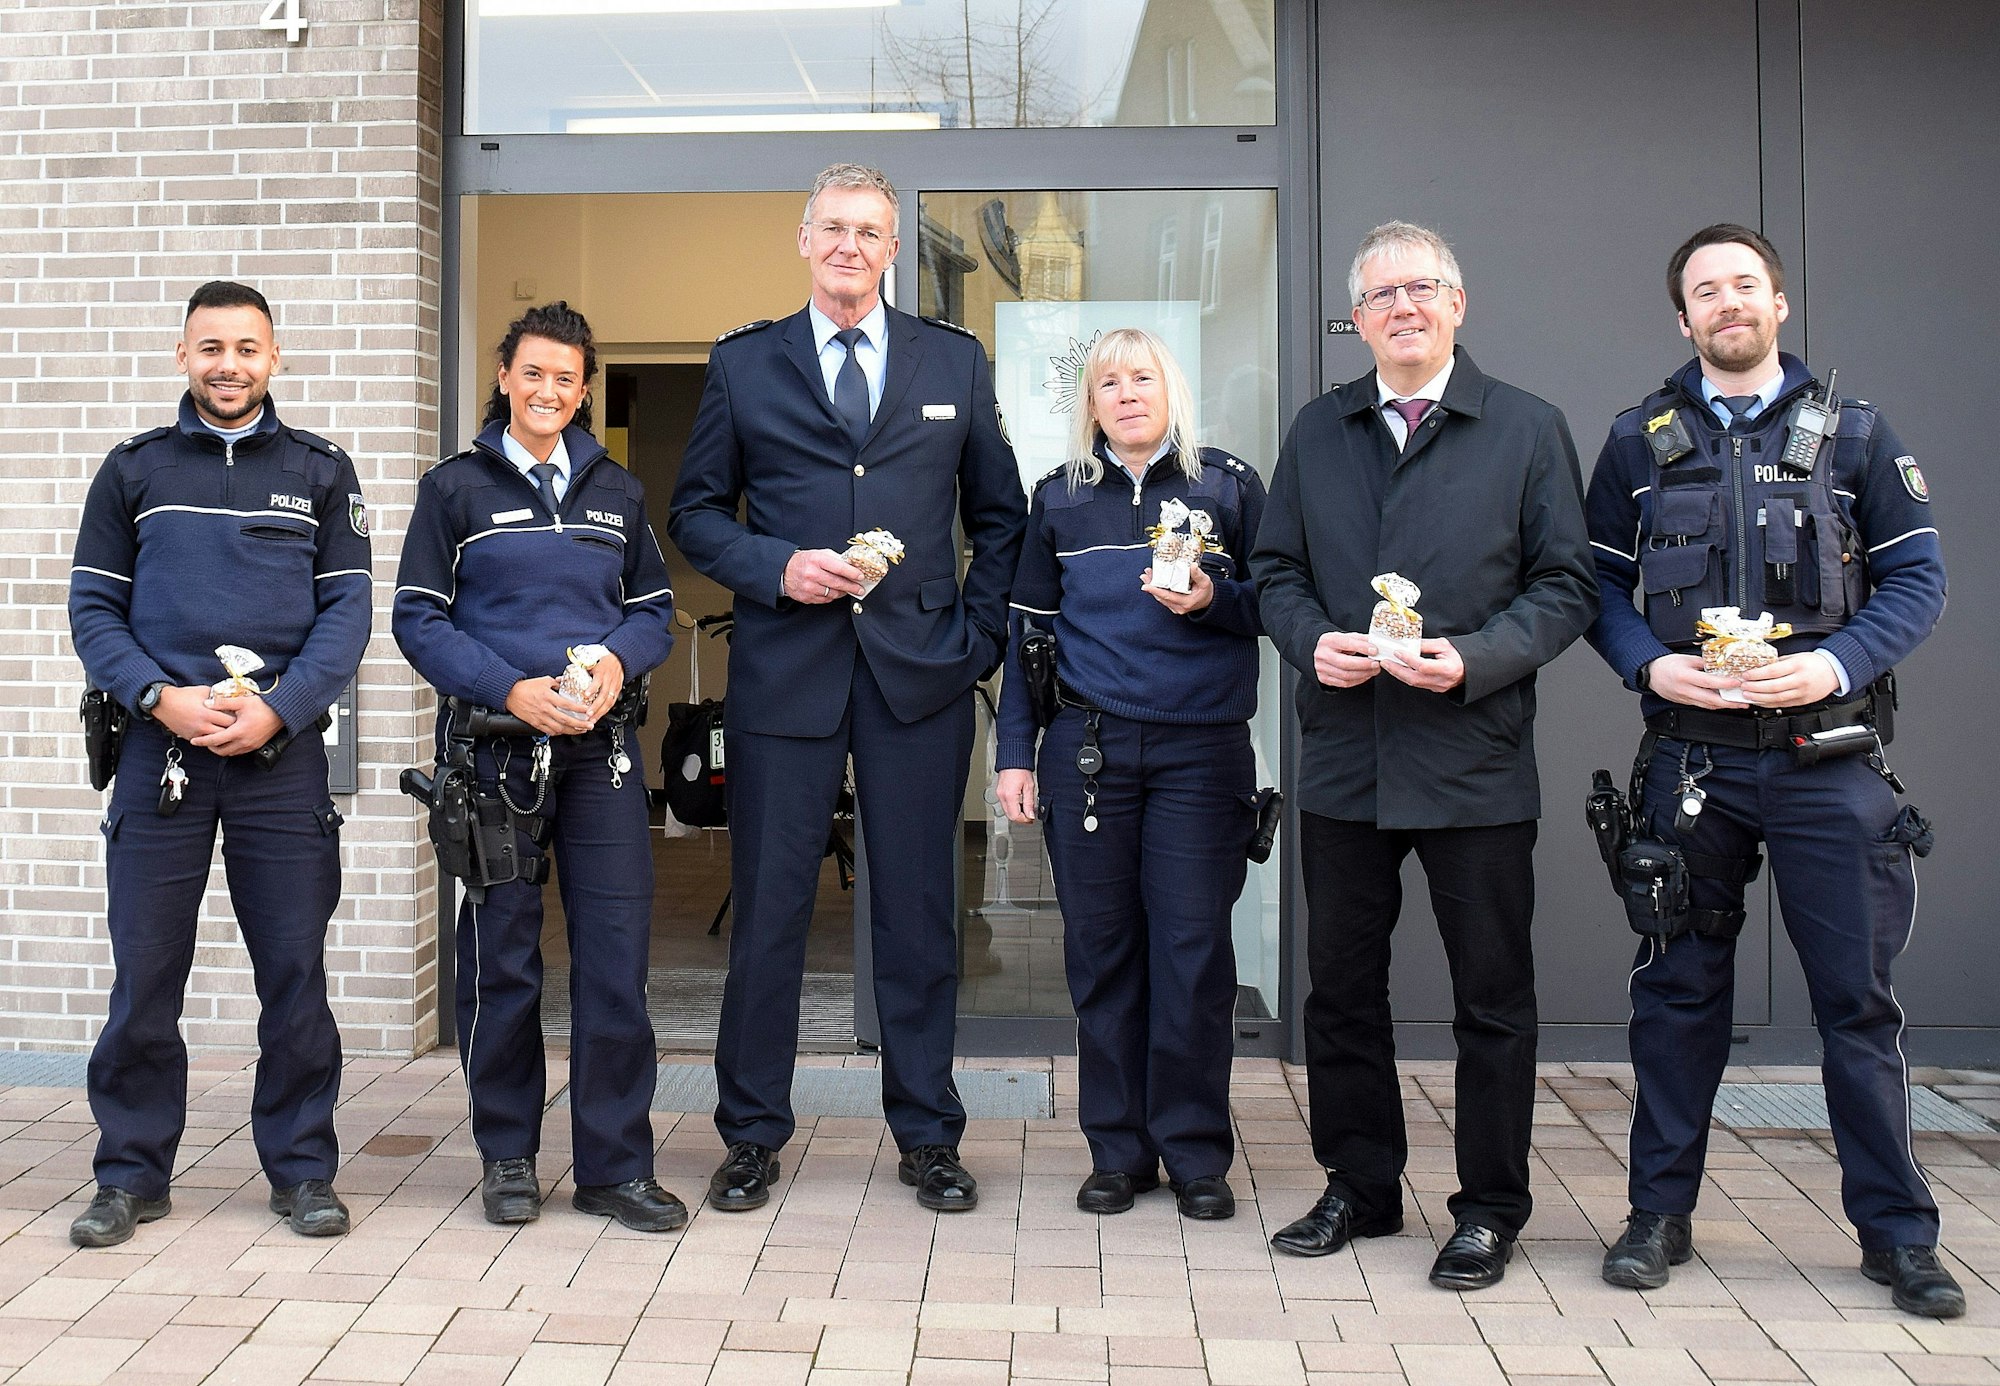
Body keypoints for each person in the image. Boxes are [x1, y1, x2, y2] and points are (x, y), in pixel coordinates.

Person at [1583, 223, 1960, 1317]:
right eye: (1705, 291)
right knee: (1674, 998)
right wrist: (1652, 670)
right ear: (1681, 318)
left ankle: (1896, 1236)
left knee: (1856, 1007)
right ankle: (1656, 1215)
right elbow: (1596, 591)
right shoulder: (1634, 441)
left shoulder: (1855, 435)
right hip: (1690, 764)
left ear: (1777, 304)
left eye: (1743, 285)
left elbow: (1916, 583)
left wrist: (1834, 663)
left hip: (1823, 759)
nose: (1726, 304)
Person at [669, 163, 1024, 1214]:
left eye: (868, 232)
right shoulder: (744, 365)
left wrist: (978, 642)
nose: (849, 247)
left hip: (919, 678)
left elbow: (1000, 521)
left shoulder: (951, 361)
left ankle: (927, 1133)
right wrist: (773, 566)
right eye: (832, 229)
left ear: (889, 249)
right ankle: (748, 1135)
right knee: (771, 913)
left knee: (917, 913)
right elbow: (694, 514)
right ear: (802, 237)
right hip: (787, 679)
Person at [1252, 222, 1597, 1289]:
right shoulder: (1318, 430)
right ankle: (1359, 1186)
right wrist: (1311, 642)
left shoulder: (1527, 429)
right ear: (1355, 319)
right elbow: (1272, 571)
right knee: (1338, 991)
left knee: (1490, 997)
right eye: (1379, 295)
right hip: (1347, 759)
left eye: (1420, 288)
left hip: (1473, 760)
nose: (1400, 307)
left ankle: (1488, 1207)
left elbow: (1566, 586)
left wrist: (1475, 659)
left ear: (1457, 302)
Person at [66, 280, 372, 1247]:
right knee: (146, 974)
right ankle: (129, 1172)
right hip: (163, 753)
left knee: (293, 973)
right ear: (182, 356)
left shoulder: (321, 471)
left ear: (274, 357)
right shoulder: (134, 473)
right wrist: (162, 698)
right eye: (211, 348)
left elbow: (349, 616)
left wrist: (280, 707)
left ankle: (303, 1172)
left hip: (279, 762)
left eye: (247, 348)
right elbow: (93, 615)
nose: (229, 365)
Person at [393, 302, 684, 1232]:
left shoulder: (618, 493)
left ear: (583, 388)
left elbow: (652, 610)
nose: (549, 390)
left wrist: (611, 663)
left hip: (601, 755)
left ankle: (613, 1167)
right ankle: (507, 1158)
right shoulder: (452, 492)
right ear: (505, 379)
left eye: (566, 377)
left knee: (612, 966)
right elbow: (416, 619)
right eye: (533, 374)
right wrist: (510, 689)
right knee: (502, 965)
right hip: (493, 761)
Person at [993, 328, 1265, 1220]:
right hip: (1090, 754)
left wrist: (1215, 599)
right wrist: (1014, 755)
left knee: (1191, 956)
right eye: (1109, 381)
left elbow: (1279, 600)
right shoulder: (1060, 501)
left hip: (1201, 750)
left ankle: (1193, 1154)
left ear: (1169, 388)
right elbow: (1028, 634)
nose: (1126, 393)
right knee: (1103, 958)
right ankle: (1117, 1151)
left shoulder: (1227, 486)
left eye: (1141, 377)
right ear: (1092, 403)